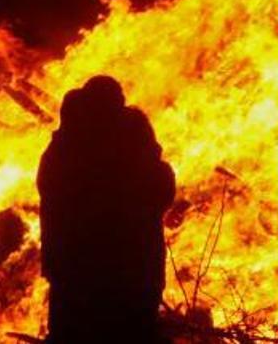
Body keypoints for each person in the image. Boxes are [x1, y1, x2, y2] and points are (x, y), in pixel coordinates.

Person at [38, 76, 175, 343]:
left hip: (73, 271)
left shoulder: (62, 148)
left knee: (74, 331)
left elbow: (50, 197)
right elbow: (160, 191)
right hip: (129, 269)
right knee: (134, 331)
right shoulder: (131, 139)